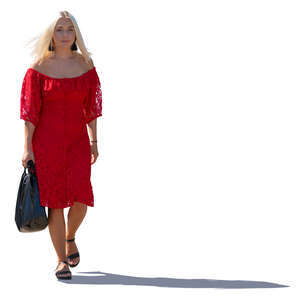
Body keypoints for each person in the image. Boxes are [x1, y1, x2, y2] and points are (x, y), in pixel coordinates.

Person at [20, 11, 103, 280]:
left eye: (69, 29)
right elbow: (30, 113)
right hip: (47, 143)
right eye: (60, 29)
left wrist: (94, 141)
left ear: (76, 33)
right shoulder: (38, 68)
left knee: (81, 197)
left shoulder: (86, 65)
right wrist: (27, 147)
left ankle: (70, 237)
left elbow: (91, 108)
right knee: (55, 202)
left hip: (78, 142)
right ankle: (60, 261)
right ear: (51, 35)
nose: (65, 34)